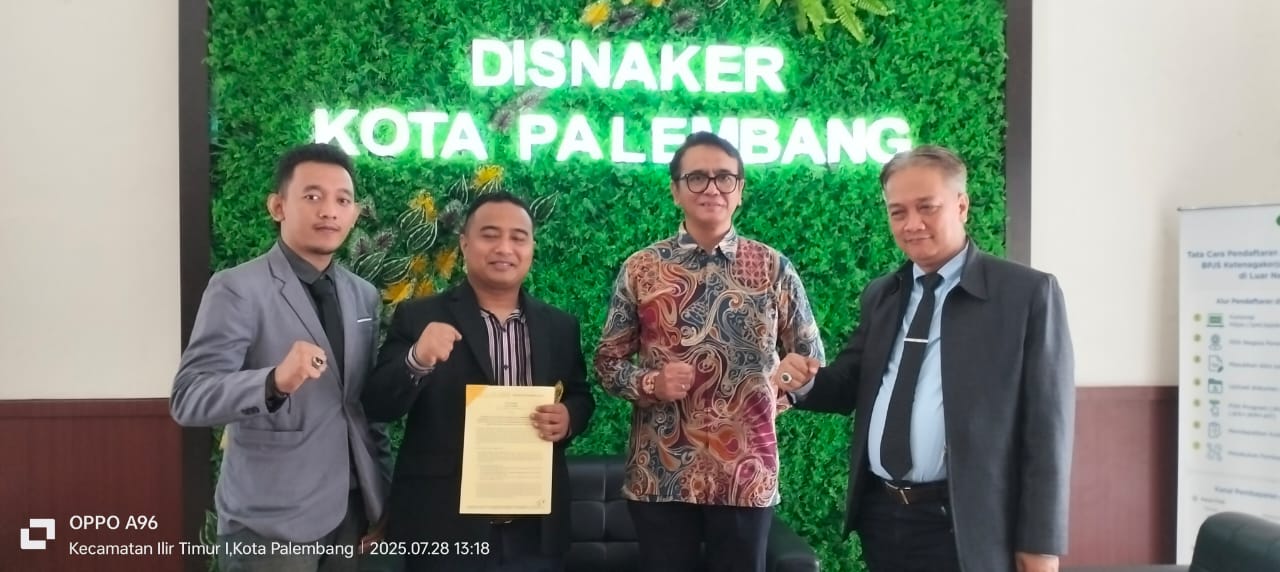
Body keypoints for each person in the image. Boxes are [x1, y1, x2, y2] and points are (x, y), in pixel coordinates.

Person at [774, 145, 1075, 572]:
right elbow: (849, 384)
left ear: (961, 205)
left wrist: (1041, 545)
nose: (911, 224)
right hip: (884, 518)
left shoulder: (1025, 295)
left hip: (966, 526)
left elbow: (1048, 431)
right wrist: (804, 381)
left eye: (927, 207)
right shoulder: (883, 294)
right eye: (897, 212)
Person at [593, 131, 826, 572]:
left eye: (724, 178)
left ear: (740, 190)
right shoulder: (642, 268)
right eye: (697, 177)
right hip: (660, 475)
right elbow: (607, 364)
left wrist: (771, 396)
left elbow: (810, 363)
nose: (712, 188)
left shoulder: (773, 268)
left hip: (745, 474)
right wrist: (652, 383)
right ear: (675, 190)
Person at [171, 143, 391, 571]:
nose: (329, 211)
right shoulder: (238, 288)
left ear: (354, 214)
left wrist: (379, 496)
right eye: (312, 196)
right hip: (270, 522)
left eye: (342, 200)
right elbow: (189, 397)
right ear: (278, 206)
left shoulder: (363, 295)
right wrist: (273, 382)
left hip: (352, 514)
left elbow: (364, 407)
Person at [362, 191, 595, 572]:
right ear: (465, 243)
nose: (504, 248)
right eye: (490, 235)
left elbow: (580, 395)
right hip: (443, 524)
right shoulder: (419, 316)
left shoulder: (559, 326)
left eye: (518, 237)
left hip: (534, 527)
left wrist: (569, 417)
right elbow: (378, 404)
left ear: (531, 248)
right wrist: (417, 359)